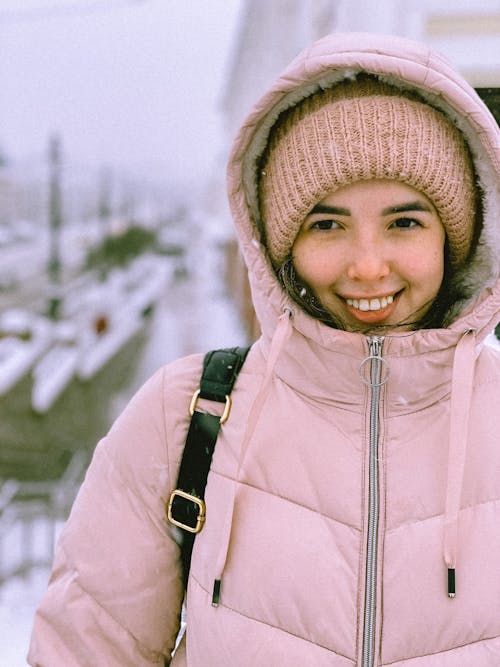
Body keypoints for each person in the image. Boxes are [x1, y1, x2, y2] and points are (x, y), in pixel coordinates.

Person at [28, 31, 500, 667]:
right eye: (326, 223)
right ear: (280, 246)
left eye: (404, 221)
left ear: (457, 237)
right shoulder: (186, 416)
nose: (367, 265)